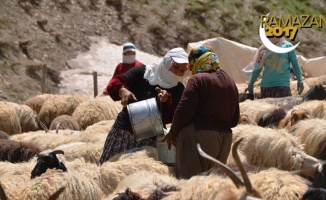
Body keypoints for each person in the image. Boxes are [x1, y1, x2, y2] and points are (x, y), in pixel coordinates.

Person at [99, 47, 189, 165]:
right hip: (124, 133)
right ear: (167, 62)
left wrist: (166, 101)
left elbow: (171, 117)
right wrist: (123, 91)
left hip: (149, 139)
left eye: (182, 70)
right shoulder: (144, 72)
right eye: (175, 67)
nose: (177, 73)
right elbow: (116, 81)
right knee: (109, 168)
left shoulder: (178, 88)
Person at [162, 44, 240, 179]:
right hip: (225, 140)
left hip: (199, 138)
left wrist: (173, 133)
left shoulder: (198, 79)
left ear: (197, 61)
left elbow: (183, 111)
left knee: (190, 184)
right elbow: (234, 120)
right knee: (210, 186)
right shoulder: (230, 82)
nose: (191, 70)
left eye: (191, 65)